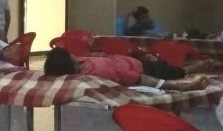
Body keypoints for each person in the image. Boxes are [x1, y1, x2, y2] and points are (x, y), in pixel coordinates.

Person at [42, 46, 207, 90]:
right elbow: (140, 79)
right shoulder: (100, 72)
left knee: (170, 67)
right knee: (176, 72)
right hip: (142, 69)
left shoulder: (80, 62)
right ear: (68, 61)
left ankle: (199, 65)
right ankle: (199, 66)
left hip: (133, 61)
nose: (72, 54)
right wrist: (178, 87)